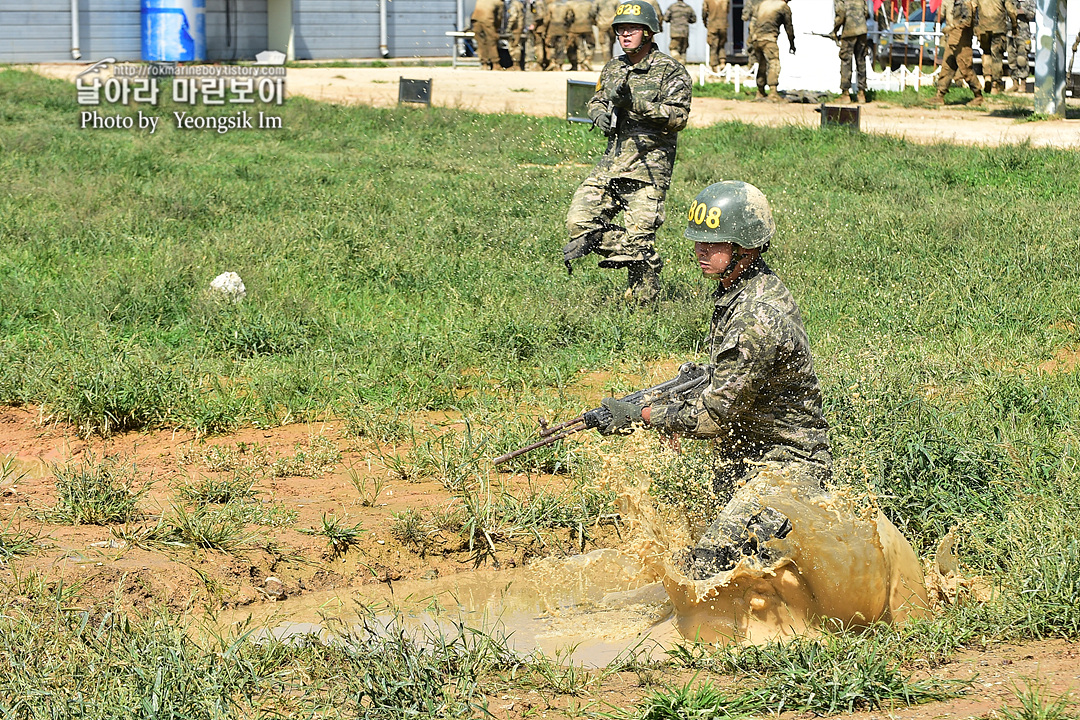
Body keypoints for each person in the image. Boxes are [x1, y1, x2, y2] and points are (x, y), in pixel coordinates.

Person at [599, 181, 832, 579]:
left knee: (709, 566)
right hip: (749, 458)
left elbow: (712, 417)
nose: (701, 251)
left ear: (746, 248)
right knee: (724, 559)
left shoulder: (754, 318)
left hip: (788, 466)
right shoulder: (740, 288)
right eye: (699, 242)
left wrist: (644, 414)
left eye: (715, 243)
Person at [563, 0, 692, 303]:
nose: (624, 34)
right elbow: (597, 98)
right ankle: (641, 254)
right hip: (610, 166)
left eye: (632, 28)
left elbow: (678, 118)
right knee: (579, 223)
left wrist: (633, 103)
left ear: (649, 32)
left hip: (649, 170)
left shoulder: (670, 71)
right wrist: (598, 113)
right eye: (621, 28)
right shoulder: (613, 67)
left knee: (639, 241)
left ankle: (643, 312)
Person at [934, 0, 984, 105]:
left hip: (962, 41)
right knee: (946, 67)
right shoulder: (957, 2)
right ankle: (939, 95)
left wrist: (951, 27)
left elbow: (967, 20)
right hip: (953, 40)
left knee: (966, 68)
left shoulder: (966, 2)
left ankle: (978, 95)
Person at [748, 0, 795, 101]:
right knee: (774, 64)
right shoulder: (783, 6)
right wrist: (792, 44)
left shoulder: (763, 3)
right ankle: (773, 92)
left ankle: (760, 91)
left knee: (762, 65)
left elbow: (752, 22)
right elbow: (789, 27)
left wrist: (751, 38)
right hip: (769, 39)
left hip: (756, 39)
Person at [832, 0, 871, 103]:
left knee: (846, 61)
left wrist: (834, 31)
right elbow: (866, 13)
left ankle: (845, 94)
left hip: (849, 31)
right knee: (861, 61)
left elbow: (841, 15)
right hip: (862, 30)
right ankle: (862, 93)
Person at [976, 0, 1009, 93]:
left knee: (986, 53)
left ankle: (987, 77)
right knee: (997, 56)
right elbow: (1011, 10)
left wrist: (975, 26)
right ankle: (995, 84)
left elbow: (972, 6)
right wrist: (1014, 25)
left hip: (983, 28)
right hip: (998, 28)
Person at [1005, 0, 1033, 92]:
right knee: (1011, 58)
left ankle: (1023, 83)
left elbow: (1032, 15)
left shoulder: (1029, 1)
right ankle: (1015, 83)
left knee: (1022, 59)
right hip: (1010, 32)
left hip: (1023, 34)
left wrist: (1022, 11)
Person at [471, 0, 505, 70]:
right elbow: (499, 17)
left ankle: (484, 64)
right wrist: (497, 28)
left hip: (475, 19)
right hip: (487, 20)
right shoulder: (499, 2)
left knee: (480, 42)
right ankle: (495, 64)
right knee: (492, 41)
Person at [663, 0, 698, 65]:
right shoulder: (688, 7)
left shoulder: (672, 7)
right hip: (685, 32)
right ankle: (683, 66)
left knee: (673, 48)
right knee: (683, 50)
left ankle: (678, 60)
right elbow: (694, 19)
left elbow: (665, 18)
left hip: (674, 32)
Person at [567, 0, 599, 70]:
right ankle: (588, 60)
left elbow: (569, 17)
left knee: (579, 46)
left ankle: (581, 64)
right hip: (588, 27)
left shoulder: (570, 4)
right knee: (591, 45)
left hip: (575, 28)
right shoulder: (589, 4)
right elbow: (593, 14)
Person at [544, 0, 576, 69]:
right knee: (561, 47)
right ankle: (559, 64)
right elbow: (570, 18)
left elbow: (547, 19)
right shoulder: (566, 7)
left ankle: (552, 62)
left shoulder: (550, 6)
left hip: (552, 28)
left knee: (550, 46)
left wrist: (545, 28)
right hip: (562, 28)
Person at [702, 0, 731, 72]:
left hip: (713, 25)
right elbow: (728, 10)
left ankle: (714, 67)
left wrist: (705, 22)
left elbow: (704, 12)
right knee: (721, 45)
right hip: (723, 25)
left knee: (713, 46)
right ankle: (722, 62)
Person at [506, 0, 527, 69]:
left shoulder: (514, 4)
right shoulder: (520, 4)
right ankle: (517, 64)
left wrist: (508, 27)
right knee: (517, 45)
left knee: (514, 46)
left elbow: (513, 16)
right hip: (520, 27)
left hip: (515, 28)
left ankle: (516, 65)